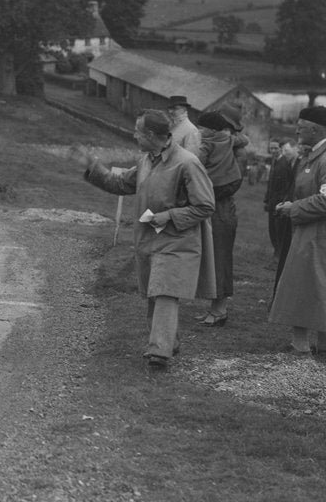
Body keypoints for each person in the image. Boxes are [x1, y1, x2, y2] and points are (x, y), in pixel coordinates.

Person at [70, 109, 215, 370]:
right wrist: (92, 167)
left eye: (137, 131)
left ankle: (159, 352)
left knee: (165, 292)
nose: (134, 135)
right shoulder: (147, 160)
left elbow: (205, 206)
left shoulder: (187, 163)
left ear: (150, 134)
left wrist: (169, 216)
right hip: (150, 241)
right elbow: (119, 184)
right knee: (154, 294)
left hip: (178, 242)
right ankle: (168, 342)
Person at [269, 106, 326, 354]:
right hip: (308, 232)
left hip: (317, 235)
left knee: (308, 286)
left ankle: (306, 345)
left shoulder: (324, 159)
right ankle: (305, 343)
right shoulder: (312, 155)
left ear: (315, 129)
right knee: (306, 286)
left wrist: (293, 208)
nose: (296, 131)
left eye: (301, 127)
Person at [192, 110, 243, 326]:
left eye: (201, 128)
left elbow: (194, 165)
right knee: (215, 260)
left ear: (211, 129)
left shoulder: (207, 145)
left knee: (220, 260)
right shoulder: (230, 141)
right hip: (221, 207)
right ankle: (215, 308)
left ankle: (220, 310)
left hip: (220, 211)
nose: (199, 131)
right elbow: (244, 139)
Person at [267, 139, 300, 296]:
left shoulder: (293, 164)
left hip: (288, 206)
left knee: (281, 234)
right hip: (281, 203)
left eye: (286, 150)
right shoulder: (287, 162)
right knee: (275, 231)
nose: (284, 152)